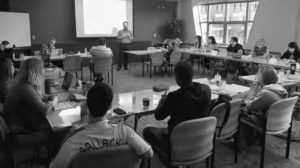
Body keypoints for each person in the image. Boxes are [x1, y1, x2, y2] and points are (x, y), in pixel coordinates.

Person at [50, 83, 153, 168]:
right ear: (110, 107)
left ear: (87, 105)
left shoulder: (72, 141)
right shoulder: (124, 131)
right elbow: (149, 153)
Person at [143, 61, 211, 162]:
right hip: (199, 136)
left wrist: (162, 102)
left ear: (178, 78)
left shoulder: (173, 97)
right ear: (192, 75)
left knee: (147, 131)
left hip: (177, 139)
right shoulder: (206, 90)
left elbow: (158, 116)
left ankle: (169, 156)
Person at [3, 57, 57, 144]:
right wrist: (53, 103)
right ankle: (55, 155)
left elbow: (36, 95)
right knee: (58, 129)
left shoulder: (22, 84)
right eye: (41, 69)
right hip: (22, 130)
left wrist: (47, 97)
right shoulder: (25, 89)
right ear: (36, 72)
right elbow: (45, 111)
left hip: (17, 124)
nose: (43, 71)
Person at [234, 66, 288, 146]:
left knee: (238, 109)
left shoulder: (266, 93)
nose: (256, 75)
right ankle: (253, 139)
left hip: (266, 122)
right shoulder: (280, 89)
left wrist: (253, 88)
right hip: (280, 121)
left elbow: (249, 106)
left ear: (263, 78)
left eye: (258, 74)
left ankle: (240, 143)